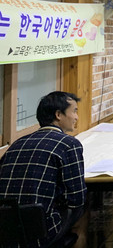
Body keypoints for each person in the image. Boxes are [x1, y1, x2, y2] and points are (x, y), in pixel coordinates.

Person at [0, 91, 86, 247]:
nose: (76, 117)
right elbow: (76, 198)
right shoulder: (69, 144)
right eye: (74, 111)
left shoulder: (16, 144)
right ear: (59, 114)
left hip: (6, 230)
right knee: (83, 206)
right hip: (42, 232)